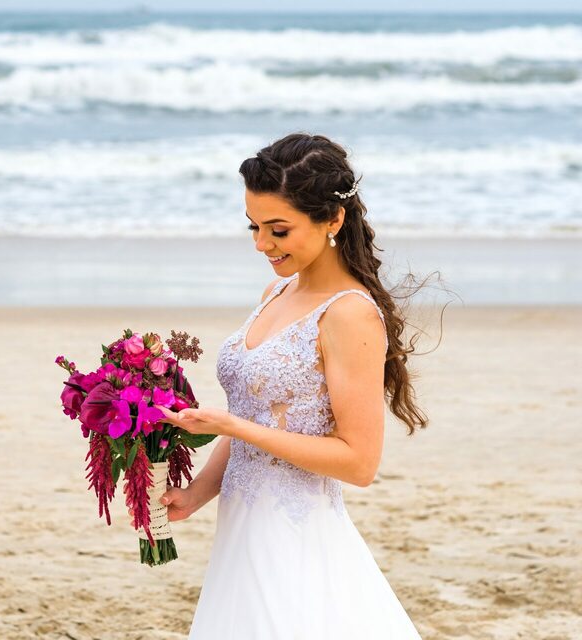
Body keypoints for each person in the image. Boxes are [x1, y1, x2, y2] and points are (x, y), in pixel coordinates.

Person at [157, 133, 424, 638]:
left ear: (333, 220)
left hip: (297, 537)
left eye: (278, 230)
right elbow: (253, 416)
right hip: (241, 530)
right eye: (254, 227)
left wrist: (234, 426)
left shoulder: (348, 314)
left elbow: (359, 463)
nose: (262, 244)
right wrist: (196, 494)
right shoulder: (276, 290)